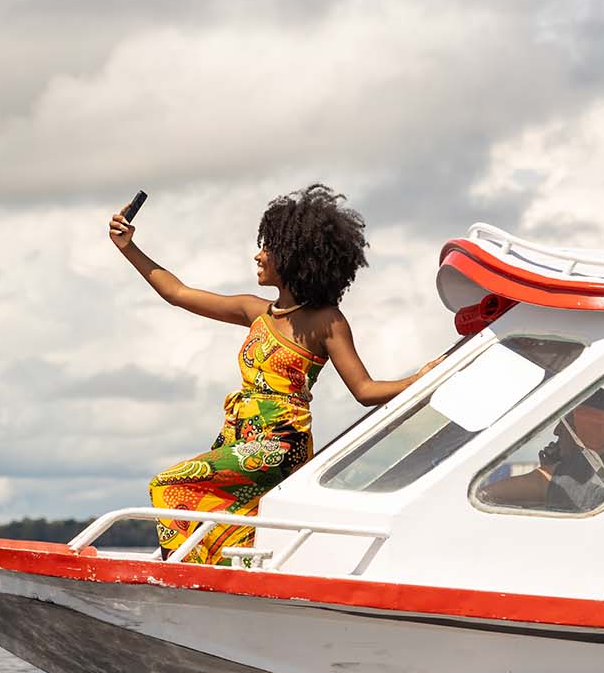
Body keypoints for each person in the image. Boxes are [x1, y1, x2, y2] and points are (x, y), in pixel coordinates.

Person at [109, 184, 440, 564]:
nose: (258, 255)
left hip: (280, 442)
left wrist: (420, 380)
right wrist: (128, 247)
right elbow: (178, 293)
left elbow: (364, 389)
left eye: (269, 248)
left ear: (295, 257)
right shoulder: (256, 311)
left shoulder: (326, 321)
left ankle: (183, 577)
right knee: (230, 525)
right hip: (239, 436)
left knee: (170, 486)